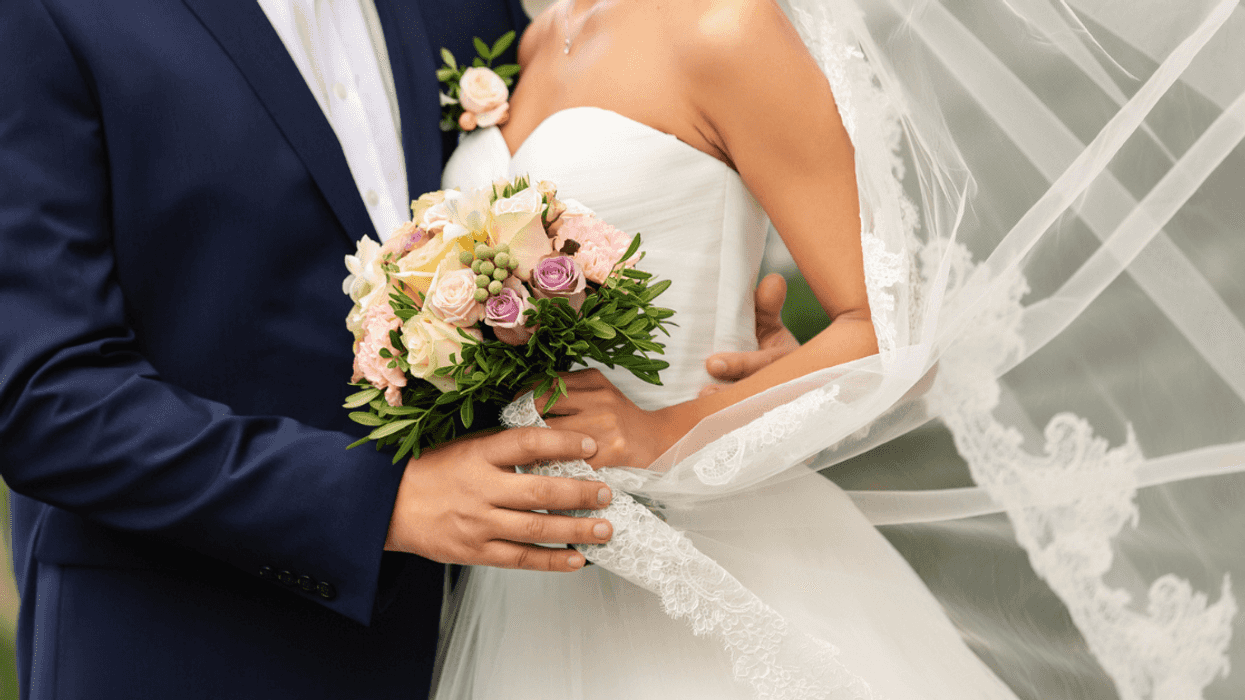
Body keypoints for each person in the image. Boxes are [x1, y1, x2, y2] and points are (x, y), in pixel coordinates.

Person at [434, 0, 1245, 698]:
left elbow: (890, 332)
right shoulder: (524, 45)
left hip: (713, 538)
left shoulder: (723, 26)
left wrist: (674, 428)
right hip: (529, 571)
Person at [0, 0, 792, 696]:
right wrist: (380, 502)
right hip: (183, 645)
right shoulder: (45, 13)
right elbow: (42, 395)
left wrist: (717, 358)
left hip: (509, 639)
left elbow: (559, 227)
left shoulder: (472, 12)